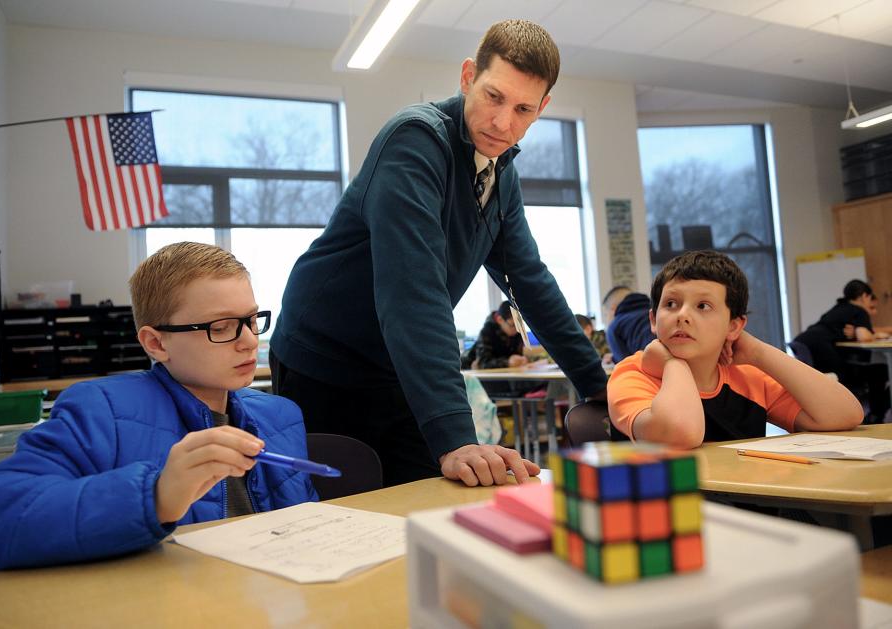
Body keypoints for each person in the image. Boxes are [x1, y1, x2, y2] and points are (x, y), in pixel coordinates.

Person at [269, 20, 606, 488]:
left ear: (542, 108)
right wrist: (455, 437)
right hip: (327, 360)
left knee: (431, 497)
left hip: (398, 364)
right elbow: (414, 292)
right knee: (345, 514)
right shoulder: (415, 141)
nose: (504, 123)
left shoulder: (500, 172)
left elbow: (530, 280)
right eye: (494, 96)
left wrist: (601, 388)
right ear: (468, 77)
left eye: (523, 108)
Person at [0, 243, 317, 577]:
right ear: (156, 343)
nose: (250, 341)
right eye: (220, 327)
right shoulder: (101, 411)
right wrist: (155, 496)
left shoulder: (280, 415)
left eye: (251, 320)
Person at [607, 250, 862, 448]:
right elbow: (681, 432)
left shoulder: (746, 376)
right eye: (671, 303)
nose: (682, 315)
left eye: (703, 306)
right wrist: (673, 365)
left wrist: (757, 352)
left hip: (750, 505)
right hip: (679, 511)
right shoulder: (632, 374)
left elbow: (845, 414)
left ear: (734, 326)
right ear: (653, 320)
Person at [793, 279, 890, 423]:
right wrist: (870, 334)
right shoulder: (859, 310)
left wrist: (857, 332)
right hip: (825, 356)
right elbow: (864, 336)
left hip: (807, 344)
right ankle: (876, 416)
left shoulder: (838, 308)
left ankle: (873, 414)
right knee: (880, 370)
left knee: (869, 370)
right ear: (864, 296)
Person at [462, 301, 528, 369]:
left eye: (520, 326)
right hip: (466, 367)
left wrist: (521, 360)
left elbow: (517, 356)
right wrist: (507, 362)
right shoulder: (487, 331)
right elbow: (483, 363)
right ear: (500, 320)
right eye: (513, 325)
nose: (518, 330)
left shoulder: (516, 332)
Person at [603, 285, 655, 364]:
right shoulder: (656, 312)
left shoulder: (614, 327)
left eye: (606, 314)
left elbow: (624, 363)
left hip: (650, 369)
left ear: (613, 309)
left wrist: (615, 358)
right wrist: (614, 357)